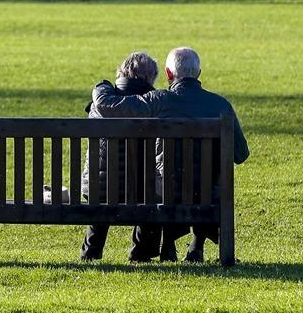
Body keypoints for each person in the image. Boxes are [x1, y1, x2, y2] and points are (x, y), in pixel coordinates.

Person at [91, 47, 249, 263]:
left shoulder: (158, 100)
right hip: (208, 196)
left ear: (168, 73)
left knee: (162, 179)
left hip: (164, 193)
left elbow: (113, 107)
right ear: (199, 73)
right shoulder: (221, 105)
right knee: (207, 179)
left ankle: (168, 246)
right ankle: (196, 247)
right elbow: (241, 154)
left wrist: (101, 89)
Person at [80, 51, 167, 262]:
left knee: (102, 187)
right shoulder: (154, 106)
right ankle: (142, 251)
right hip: (141, 192)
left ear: (122, 72)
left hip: (96, 190)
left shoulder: (97, 106)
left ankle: (91, 251)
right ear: (150, 78)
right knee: (151, 191)